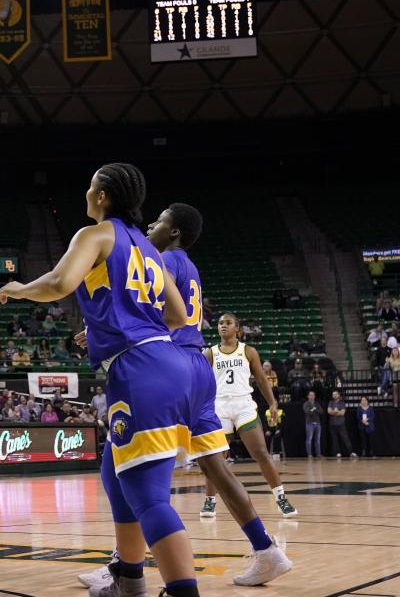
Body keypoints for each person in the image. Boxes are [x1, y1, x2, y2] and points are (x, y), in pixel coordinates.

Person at [0, 163, 200, 597]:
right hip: (168, 363)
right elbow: (180, 313)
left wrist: (18, 289)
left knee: (149, 498)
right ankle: (129, 580)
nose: (86, 194)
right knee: (114, 475)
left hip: (139, 369)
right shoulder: (147, 247)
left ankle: (185, 592)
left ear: (103, 196)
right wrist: (119, 321)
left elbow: (58, 283)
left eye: (90, 188)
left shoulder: (95, 235)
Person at [81, 202, 293, 592]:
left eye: (160, 220)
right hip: (197, 368)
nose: (151, 224)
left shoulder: (162, 259)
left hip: (165, 368)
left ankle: (126, 568)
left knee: (131, 476)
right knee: (215, 468)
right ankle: (266, 550)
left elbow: (155, 311)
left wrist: (108, 330)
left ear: (174, 231)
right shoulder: (189, 265)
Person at [203, 313, 298, 517]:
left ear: (237, 328)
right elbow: (199, 382)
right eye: (220, 323)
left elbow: (262, 380)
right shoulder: (209, 353)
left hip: (243, 405)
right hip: (219, 406)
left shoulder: (248, 351)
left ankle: (281, 498)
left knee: (261, 453)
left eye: (227, 323)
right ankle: (210, 501)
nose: (223, 326)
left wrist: (273, 403)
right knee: (215, 458)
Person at [326, 390, 356, 458]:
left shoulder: (342, 403)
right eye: (333, 394)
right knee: (334, 440)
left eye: (335, 394)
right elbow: (328, 411)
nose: (334, 395)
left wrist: (335, 412)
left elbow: (342, 413)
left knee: (345, 439)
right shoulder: (331, 402)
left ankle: (351, 452)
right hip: (332, 424)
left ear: (338, 395)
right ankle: (338, 453)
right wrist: (336, 412)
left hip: (341, 424)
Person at [303, 391, 323, 458]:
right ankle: (309, 454)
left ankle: (318, 454)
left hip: (317, 423)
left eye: (313, 395)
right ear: (308, 396)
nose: (312, 396)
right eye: (310, 395)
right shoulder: (306, 404)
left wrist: (314, 409)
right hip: (309, 424)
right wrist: (314, 410)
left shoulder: (317, 404)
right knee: (309, 439)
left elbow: (321, 411)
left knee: (317, 439)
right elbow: (307, 412)